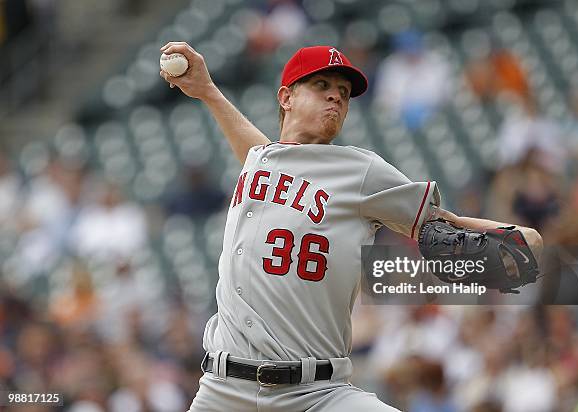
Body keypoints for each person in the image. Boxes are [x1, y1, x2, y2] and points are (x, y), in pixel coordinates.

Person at [159, 42, 543, 412]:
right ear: (286, 98)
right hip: (225, 390)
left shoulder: (362, 171)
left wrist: (522, 240)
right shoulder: (261, 159)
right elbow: (262, 152)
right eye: (321, 85)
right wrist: (207, 91)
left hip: (317, 393)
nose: (336, 98)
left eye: (343, 92)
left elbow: (446, 226)